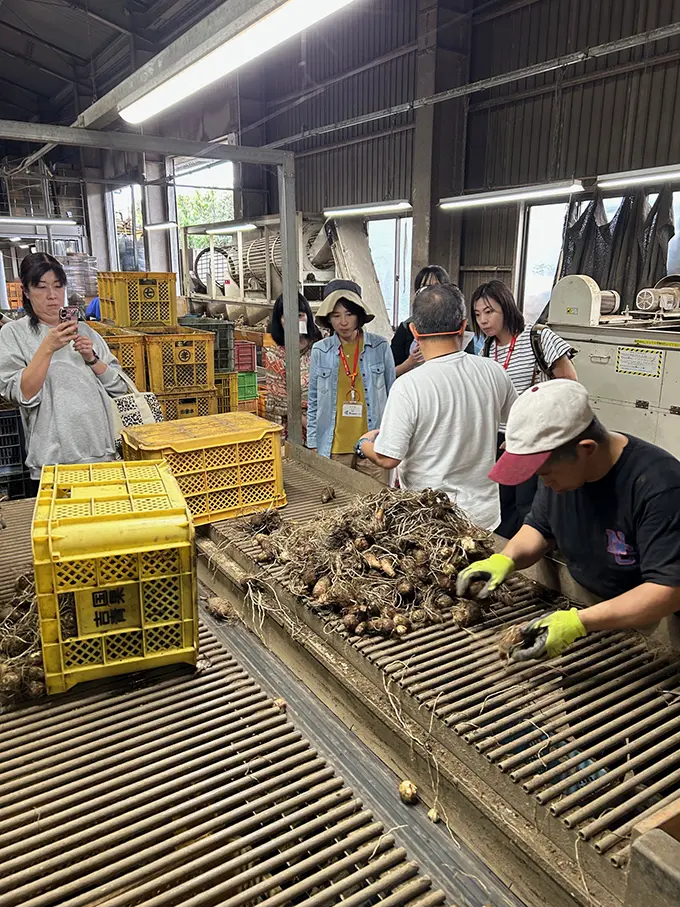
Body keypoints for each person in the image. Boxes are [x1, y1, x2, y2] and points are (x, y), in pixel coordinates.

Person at [457, 380, 680, 661]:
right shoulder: (562, 476)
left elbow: (667, 591)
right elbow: (540, 527)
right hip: (588, 607)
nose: (544, 482)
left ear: (586, 449)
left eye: (546, 473)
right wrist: (506, 559)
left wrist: (578, 623)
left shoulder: (660, 488)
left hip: (652, 629)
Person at [356, 284, 517, 531]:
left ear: (414, 331)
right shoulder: (493, 372)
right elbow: (517, 421)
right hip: (483, 518)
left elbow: (387, 458)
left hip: (430, 523)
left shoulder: (408, 386)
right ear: (463, 327)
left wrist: (364, 443)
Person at [0, 252, 128, 484]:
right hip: (53, 465)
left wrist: (92, 359)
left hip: (103, 455)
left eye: (58, 287)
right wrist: (48, 347)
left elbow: (120, 388)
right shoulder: (13, 334)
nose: (52, 296)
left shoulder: (85, 331)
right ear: (26, 292)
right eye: (41, 287)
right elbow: (22, 394)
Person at [471, 279, 578, 538]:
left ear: (506, 308)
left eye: (489, 311)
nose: (483, 320)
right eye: (477, 314)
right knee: (502, 502)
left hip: (534, 436)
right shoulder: (486, 348)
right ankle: (508, 556)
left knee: (529, 504)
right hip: (499, 439)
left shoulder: (537, 337)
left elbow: (570, 386)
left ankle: (536, 562)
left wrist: (529, 431)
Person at [307, 279, 395, 483]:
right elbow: (313, 401)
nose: (343, 322)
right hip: (334, 446)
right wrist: (312, 441)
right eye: (336, 315)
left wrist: (392, 440)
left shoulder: (380, 346)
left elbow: (393, 395)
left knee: (376, 503)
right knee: (337, 507)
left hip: (374, 446)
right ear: (328, 318)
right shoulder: (320, 350)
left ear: (359, 316)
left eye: (349, 314)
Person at [263, 292, 322, 441]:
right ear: (280, 321)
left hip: (325, 421)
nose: (295, 321)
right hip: (295, 428)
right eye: (288, 317)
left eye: (300, 315)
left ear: (308, 316)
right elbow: (281, 403)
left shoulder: (320, 345)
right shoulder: (274, 354)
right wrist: (311, 427)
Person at [391, 265, 450, 378]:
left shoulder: (459, 327)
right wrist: (410, 362)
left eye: (437, 287)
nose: (431, 293)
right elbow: (390, 373)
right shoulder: (405, 327)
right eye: (425, 287)